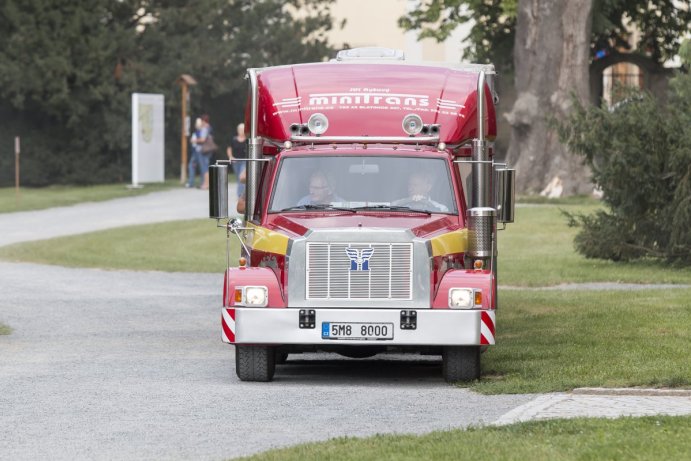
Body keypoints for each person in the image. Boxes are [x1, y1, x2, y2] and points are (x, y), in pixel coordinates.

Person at [227, 123, 248, 200]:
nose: (241, 131)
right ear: (237, 130)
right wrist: (230, 156)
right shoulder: (234, 140)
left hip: (244, 161)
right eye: (240, 130)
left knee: (241, 177)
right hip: (236, 161)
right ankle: (242, 194)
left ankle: (240, 196)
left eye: (242, 130)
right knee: (238, 178)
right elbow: (229, 148)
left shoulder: (247, 140)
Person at [185, 117, 204, 188]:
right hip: (195, 152)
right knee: (192, 166)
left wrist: (194, 140)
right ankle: (192, 182)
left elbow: (201, 140)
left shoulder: (201, 131)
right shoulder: (196, 132)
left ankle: (199, 182)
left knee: (201, 167)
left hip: (199, 152)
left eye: (199, 124)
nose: (197, 125)